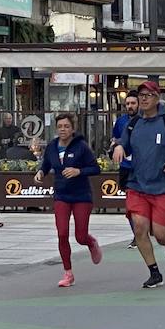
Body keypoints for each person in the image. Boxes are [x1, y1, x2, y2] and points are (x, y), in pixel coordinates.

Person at [112, 79, 165, 289]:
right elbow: (124, 143)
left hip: (163, 187)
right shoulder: (133, 123)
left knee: (160, 234)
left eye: (148, 95)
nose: (143, 99)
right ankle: (154, 272)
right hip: (137, 185)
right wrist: (119, 147)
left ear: (157, 98)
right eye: (141, 95)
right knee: (139, 228)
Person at [35, 112, 102, 287]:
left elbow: (95, 168)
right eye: (60, 127)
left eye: (66, 126)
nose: (63, 130)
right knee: (62, 233)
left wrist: (79, 171)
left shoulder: (81, 147)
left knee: (80, 236)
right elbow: (46, 164)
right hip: (61, 196)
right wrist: (41, 172)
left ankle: (91, 242)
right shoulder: (52, 146)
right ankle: (68, 273)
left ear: (73, 129)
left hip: (81, 196)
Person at [111, 93, 139, 248]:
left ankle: (141, 232)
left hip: (141, 168)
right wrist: (115, 145)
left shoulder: (144, 121)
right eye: (127, 103)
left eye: (133, 103)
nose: (130, 106)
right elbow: (115, 138)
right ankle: (137, 235)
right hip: (126, 168)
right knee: (130, 205)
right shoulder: (121, 121)